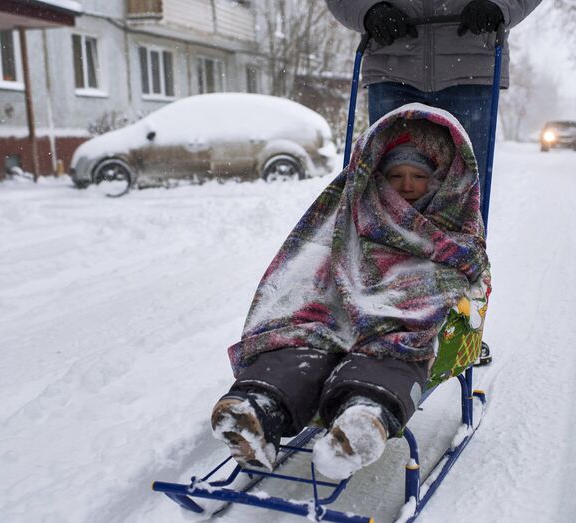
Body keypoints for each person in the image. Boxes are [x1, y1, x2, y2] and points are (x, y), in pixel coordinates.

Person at [211, 104, 490, 480]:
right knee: (302, 344)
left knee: (391, 354)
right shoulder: (355, 210)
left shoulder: (451, 223)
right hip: (333, 311)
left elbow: (470, 265)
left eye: (418, 176)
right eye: (395, 175)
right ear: (377, 177)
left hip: (397, 319)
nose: (406, 185)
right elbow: (313, 257)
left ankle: (364, 415)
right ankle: (258, 407)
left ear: (438, 179)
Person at [327, 0, 541, 365]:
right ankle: (381, 317)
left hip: (470, 66)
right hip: (392, 64)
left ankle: (456, 326)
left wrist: (500, 6)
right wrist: (367, 11)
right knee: (383, 206)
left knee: (460, 209)